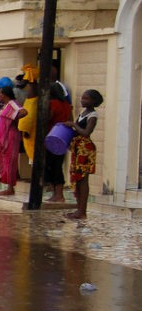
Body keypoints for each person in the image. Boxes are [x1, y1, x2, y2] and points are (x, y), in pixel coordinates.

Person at [63, 89, 104, 220]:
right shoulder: (83, 113)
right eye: (82, 98)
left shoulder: (92, 115)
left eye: (86, 99)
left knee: (83, 179)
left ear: (94, 101)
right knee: (77, 178)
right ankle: (78, 209)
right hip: (78, 147)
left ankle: (82, 211)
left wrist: (74, 124)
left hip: (85, 149)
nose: (82, 100)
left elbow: (86, 132)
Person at [44, 83, 73, 202]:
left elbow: (48, 118)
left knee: (50, 166)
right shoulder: (67, 105)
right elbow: (70, 120)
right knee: (57, 165)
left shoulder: (52, 104)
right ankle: (57, 194)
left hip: (51, 137)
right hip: (63, 138)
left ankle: (58, 195)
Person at [0, 85, 25, 196]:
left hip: (10, 137)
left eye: (1, 94)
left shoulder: (13, 104)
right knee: (5, 160)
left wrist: (15, 118)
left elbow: (23, 112)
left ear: (5, 95)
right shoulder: (6, 105)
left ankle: (10, 188)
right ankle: (7, 185)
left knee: (10, 162)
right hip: (4, 138)